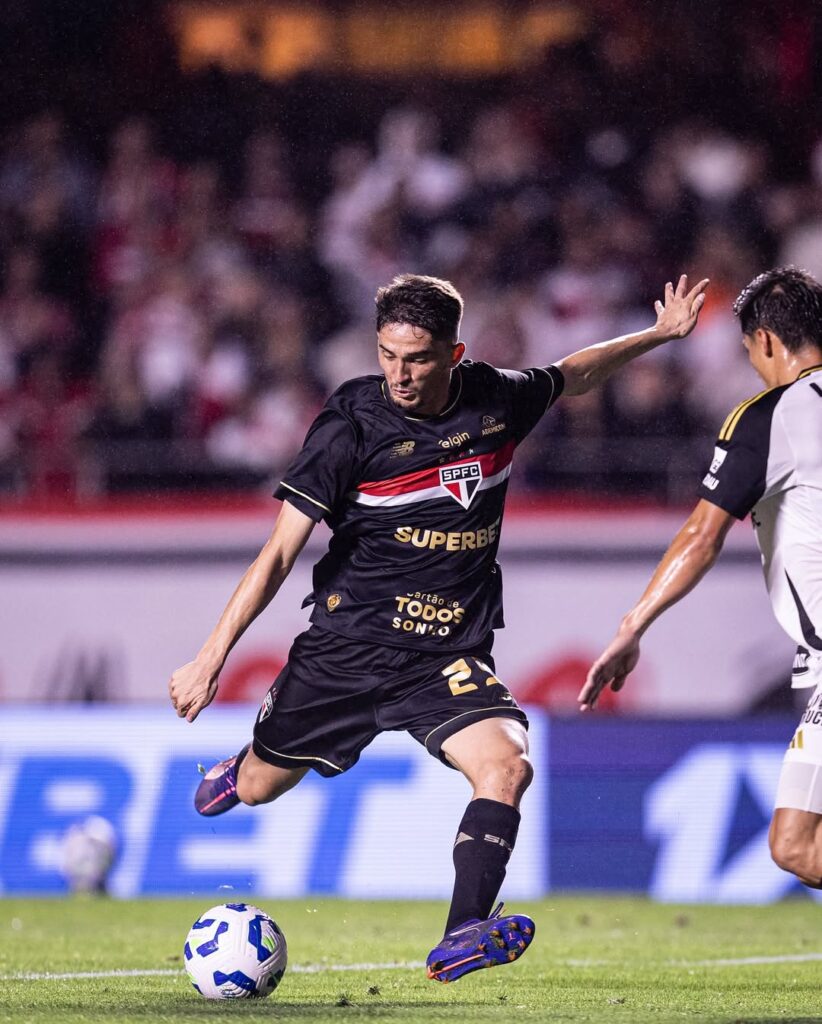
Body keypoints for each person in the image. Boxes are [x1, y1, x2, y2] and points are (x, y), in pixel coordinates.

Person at [170, 271, 708, 982]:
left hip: (443, 655)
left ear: (454, 355)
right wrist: (211, 656)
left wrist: (658, 335)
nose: (398, 373)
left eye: (417, 358)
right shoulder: (350, 425)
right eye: (387, 354)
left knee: (508, 762)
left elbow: (569, 376)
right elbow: (277, 554)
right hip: (346, 650)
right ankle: (239, 771)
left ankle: (461, 933)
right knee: (265, 784)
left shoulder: (494, 398)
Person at [579, 266, 822, 891]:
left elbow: (701, 535)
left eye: (748, 351)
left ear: (765, 342)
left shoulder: (772, 415)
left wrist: (632, 624)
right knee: (796, 844)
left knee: (797, 845)